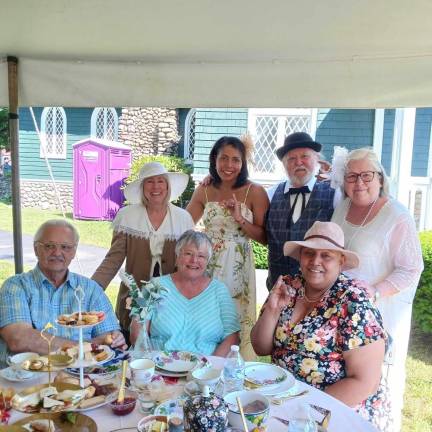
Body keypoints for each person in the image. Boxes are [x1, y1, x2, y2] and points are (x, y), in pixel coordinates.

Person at [251, 221, 390, 431]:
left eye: (326, 255)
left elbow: (364, 382)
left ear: (341, 261)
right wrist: (272, 310)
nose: (315, 261)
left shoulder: (353, 302)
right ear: (300, 256)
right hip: (282, 402)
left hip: (333, 410)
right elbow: (261, 348)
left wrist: (304, 411)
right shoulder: (289, 285)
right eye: (309, 253)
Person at [331, 147, 424, 432]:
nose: (359, 182)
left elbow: (411, 268)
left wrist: (374, 292)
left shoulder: (397, 215)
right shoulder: (343, 207)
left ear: (380, 178)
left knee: (374, 384)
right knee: (343, 379)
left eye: (367, 175)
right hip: (340, 312)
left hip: (377, 314)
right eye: (352, 176)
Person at [0, 220, 126, 368]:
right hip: (27, 380)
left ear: (74, 252)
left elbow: (107, 337)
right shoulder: (16, 286)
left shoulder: (90, 289)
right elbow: (19, 339)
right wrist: (85, 347)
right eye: (49, 246)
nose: (57, 253)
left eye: (65, 247)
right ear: (35, 249)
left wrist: (115, 338)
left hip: (83, 378)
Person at [186, 136, 269, 360]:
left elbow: (264, 237)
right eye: (224, 158)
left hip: (237, 267)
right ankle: (203, 363)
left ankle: (233, 366)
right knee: (205, 314)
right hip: (207, 263)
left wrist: (240, 219)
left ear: (243, 163)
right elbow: (183, 225)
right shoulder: (204, 190)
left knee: (233, 316)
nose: (229, 165)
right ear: (214, 159)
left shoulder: (256, 192)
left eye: (235, 160)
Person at [92, 162, 194, 341]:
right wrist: (92, 289)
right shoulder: (127, 216)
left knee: (167, 348)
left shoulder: (182, 218)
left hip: (172, 299)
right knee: (133, 349)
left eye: (161, 181)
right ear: (142, 187)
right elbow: (113, 259)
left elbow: (189, 262)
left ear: (168, 186)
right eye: (150, 182)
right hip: (134, 296)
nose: (156, 187)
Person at [130, 230, 240, 356]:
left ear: (207, 261)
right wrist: (150, 362)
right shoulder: (153, 286)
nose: (194, 260)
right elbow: (137, 329)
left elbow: (232, 336)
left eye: (201, 256)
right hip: (160, 366)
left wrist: (210, 368)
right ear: (177, 257)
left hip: (206, 369)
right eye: (188, 254)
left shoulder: (219, 290)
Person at [266, 132, 336, 290]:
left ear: (317, 160)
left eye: (305, 156)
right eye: (291, 158)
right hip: (278, 288)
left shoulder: (334, 193)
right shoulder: (270, 195)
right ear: (284, 164)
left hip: (317, 291)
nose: (299, 162)